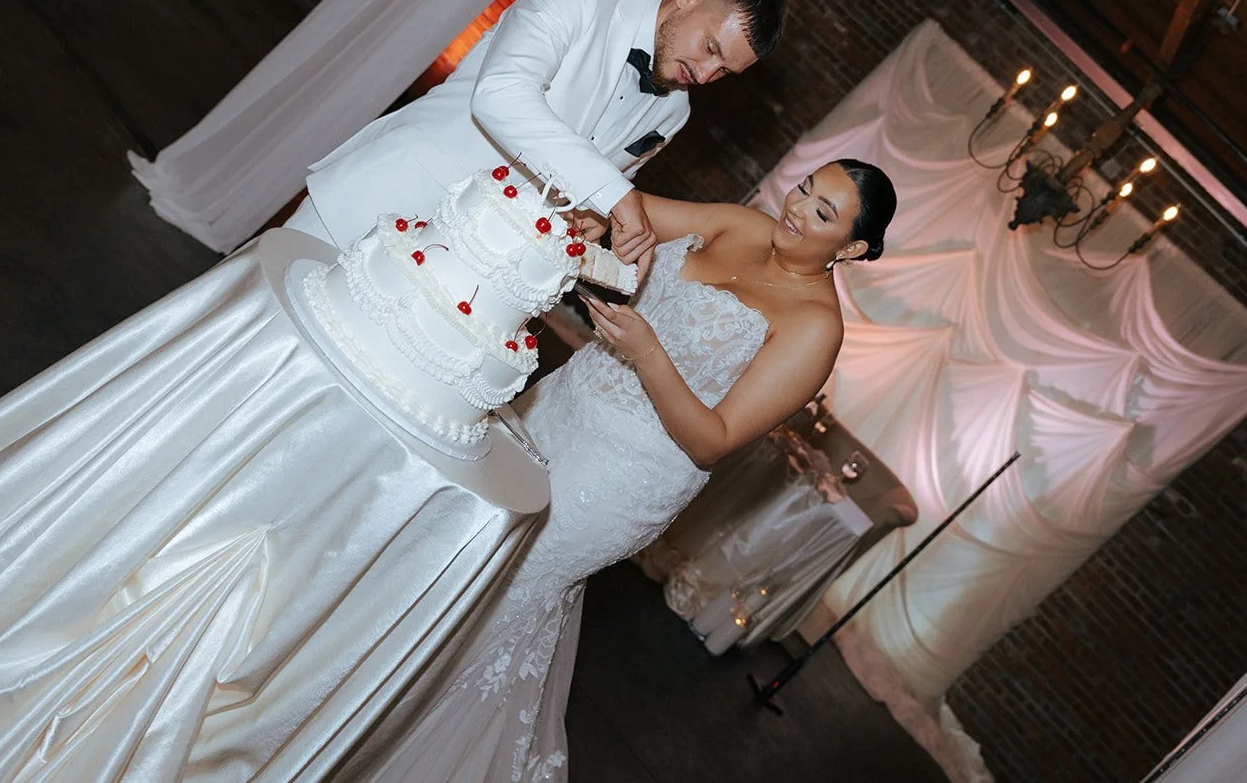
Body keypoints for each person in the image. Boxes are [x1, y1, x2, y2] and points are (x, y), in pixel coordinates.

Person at [334, 158, 897, 783]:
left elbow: (714, 440)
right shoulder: (741, 224)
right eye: (805, 188)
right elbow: (634, 213)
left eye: (822, 213)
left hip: (622, 479)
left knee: (499, 591)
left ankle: (390, 743)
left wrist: (648, 352)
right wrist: (595, 221)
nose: (796, 209)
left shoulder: (815, 328)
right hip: (555, 406)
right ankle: (349, 680)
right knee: (451, 534)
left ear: (851, 247)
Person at [287, 0, 786, 270]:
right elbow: (501, 94)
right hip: (383, 201)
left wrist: (588, 218)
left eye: (724, 71)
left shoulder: (674, 113)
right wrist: (612, 193)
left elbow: (574, 184)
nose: (703, 74)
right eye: (709, 48)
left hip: (464, 272)